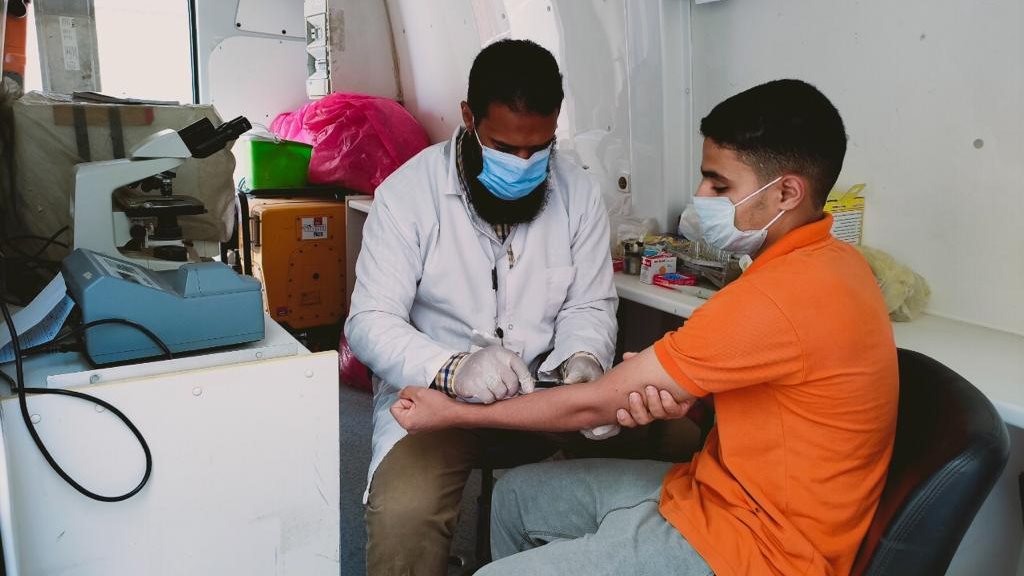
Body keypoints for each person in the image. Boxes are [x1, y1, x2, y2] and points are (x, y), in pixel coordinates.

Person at [392, 79, 899, 576]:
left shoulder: (774, 297)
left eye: (719, 185)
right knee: (516, 499)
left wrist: (453, 411)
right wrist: (687, 395)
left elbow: (594, 396)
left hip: (756, 548)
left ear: (787, 192)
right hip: (715, 493)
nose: (700, 195)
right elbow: (787, 399)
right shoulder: (836, 262)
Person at [345, 39, 622, 575]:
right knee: (405, 514)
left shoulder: (579, 193)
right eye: (504, 147)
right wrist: (452, 368)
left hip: (545, 394)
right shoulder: (408, 195)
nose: (524, 165)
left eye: (538, 148)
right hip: (437, 402)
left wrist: (584, 359)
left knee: (676, 442)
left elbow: (588, 303)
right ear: (469, 117)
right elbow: (369, 321)